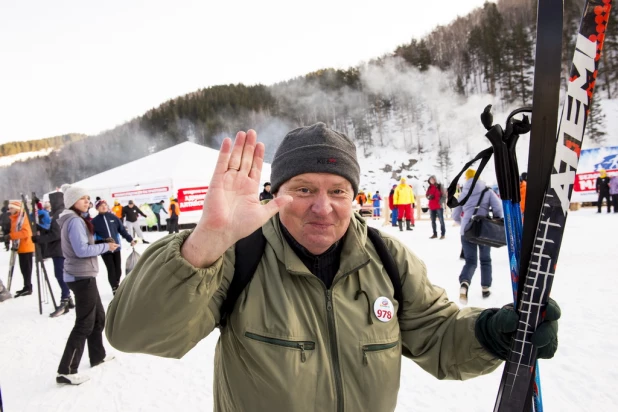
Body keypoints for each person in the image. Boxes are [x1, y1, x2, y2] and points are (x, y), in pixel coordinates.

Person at [105, 123, 560, 411]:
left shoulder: (387, 258)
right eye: (303, 189)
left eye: (338, 191)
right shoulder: (237, 256)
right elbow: (134, 333)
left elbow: (439, 336)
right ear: (275, 193)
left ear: (354, 196)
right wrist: (203, 244)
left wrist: (492, 333)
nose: (322, 207)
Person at [56, 185, 119, 385]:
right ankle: (66, 370)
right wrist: (106, 247)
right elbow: (82, 250)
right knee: (84, 322)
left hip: (84, 275)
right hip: (80, 276)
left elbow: (85, 244)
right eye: (82, 198)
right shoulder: (74, 221)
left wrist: (101, 241)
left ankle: (97, 355)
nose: (87, 201)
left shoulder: (78, 220)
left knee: (98, 317)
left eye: (87, 198)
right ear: (72, 202)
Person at [452, 169, 503, 304]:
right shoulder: (488, 191)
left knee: (470, 261)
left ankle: (464, 283)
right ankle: (485, 288)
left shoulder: (463, 194)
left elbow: (455, 215)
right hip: (483, 231)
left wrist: (463, 224)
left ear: (466, 179)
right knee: (485, 260)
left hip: (467, 231)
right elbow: (498, 209)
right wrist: (497, 221)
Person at [35, 191, 75, 317]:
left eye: (52, 202)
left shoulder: (59, 213)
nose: (51, 205)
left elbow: (56, 234)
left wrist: (40, 239)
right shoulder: (60, 212)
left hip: (60, 249)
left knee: (60, 275)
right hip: (61, 249)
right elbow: (54, 230)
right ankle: (68, 298)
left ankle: (65, 298)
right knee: (62, 274)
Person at [92, 200, 136, 295]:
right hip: (105, 249)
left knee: (118, 269)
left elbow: (122, 230)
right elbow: (91, 236)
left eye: (105, 205)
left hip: (116, 247)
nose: (104, 207)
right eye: (101, 206)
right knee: (111, 269)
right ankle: (114, 287)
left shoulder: (113, 217)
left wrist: (130, 239)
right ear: (97, 208)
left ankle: (116, 283)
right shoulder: (94, 221)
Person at [5, 200, 34, 297]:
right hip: (20, 247)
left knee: (26, 269)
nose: (9, 210)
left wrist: (10, 236)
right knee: (24, 268)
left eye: (11, 208)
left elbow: (26, 233)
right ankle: (26, 286)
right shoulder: (15, 218)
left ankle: (28, 287)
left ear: (17, 208)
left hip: (26, 246)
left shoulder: (22, 218)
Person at [426, 175, 446, 239]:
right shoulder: (429, 187)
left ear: (435, 180)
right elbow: (427, 195)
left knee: (441, 221)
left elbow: (444, 196)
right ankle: (434, 234)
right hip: (431, 206)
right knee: (433, 221)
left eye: (433, 179)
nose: (431, 180)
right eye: (430, 180)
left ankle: (443, 234)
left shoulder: (440, 186)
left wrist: (440, 202)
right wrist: (429, 197)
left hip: (438, 206)